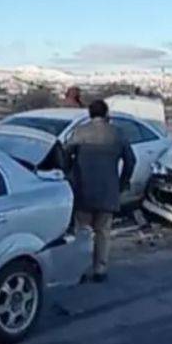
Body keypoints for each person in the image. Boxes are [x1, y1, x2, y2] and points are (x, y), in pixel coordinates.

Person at [64, 100, 135, 282]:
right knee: (103, 232)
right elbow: (131, 161)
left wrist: (70, 174)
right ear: (106, 114)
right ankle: (100, 270)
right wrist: (122, 183)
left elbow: (65, 154)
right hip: (108, 191)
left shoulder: (80, 132)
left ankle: (80, 270)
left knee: (82, 232)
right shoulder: (117, 133)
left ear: (90, 113)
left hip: (83, 190)